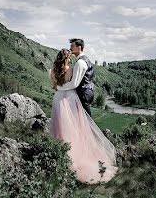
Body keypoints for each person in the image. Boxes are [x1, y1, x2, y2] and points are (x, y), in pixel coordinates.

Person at [49, 44, 118, 184]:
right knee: (75, 127)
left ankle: (59, 152)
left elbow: (54, 86)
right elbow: (75, 84)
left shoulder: (51, 71)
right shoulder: (71, 69)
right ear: (67, 58)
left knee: (60, 126)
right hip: (69, 97)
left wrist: (59, 88)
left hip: (57, 98)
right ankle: (76, 154)